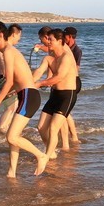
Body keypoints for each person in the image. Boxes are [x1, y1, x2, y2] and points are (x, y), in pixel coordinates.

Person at [0, 20, 49, 178]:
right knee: (13, 137)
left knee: (12, 136)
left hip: (29, 95)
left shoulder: (7, 51)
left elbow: (9, 81)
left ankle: (41, 155)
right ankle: (12, 172)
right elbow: (14, 82)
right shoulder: (8, 50)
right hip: (25, 95)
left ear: (0, 35)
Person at [33, 29, 79, 161]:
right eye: (47, 39)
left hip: (67, 95)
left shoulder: (66, 57)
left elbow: (59, 77)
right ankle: (51, 152)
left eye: (51, 40)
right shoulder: (48, 58)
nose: (48, 42)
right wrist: (29, 83)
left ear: (59, 41)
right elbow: (38, 72)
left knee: (53, 128)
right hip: (55, 95)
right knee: (41, 127)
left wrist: (40, 84)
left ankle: (46, 157)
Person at [0, 24, 23, 134]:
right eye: (19, 36)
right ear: (14, 34)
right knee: (11, 107)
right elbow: (5, 67)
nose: (19, 39)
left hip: (4, 79)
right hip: (4, 79)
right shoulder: (5, 49)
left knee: (13, 106)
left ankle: (6, 128)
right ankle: (1, 129)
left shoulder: (7, 48)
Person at [62, 26, 82, 144]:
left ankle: (74, 136)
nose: (63, 39)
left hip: (72, 82)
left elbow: (76, 69)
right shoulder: (65, 48)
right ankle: (72, 136)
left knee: (66, 112)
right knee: (65, 112)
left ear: (69, 37)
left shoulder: (76, 50)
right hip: (65, 82)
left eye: (65, 36)